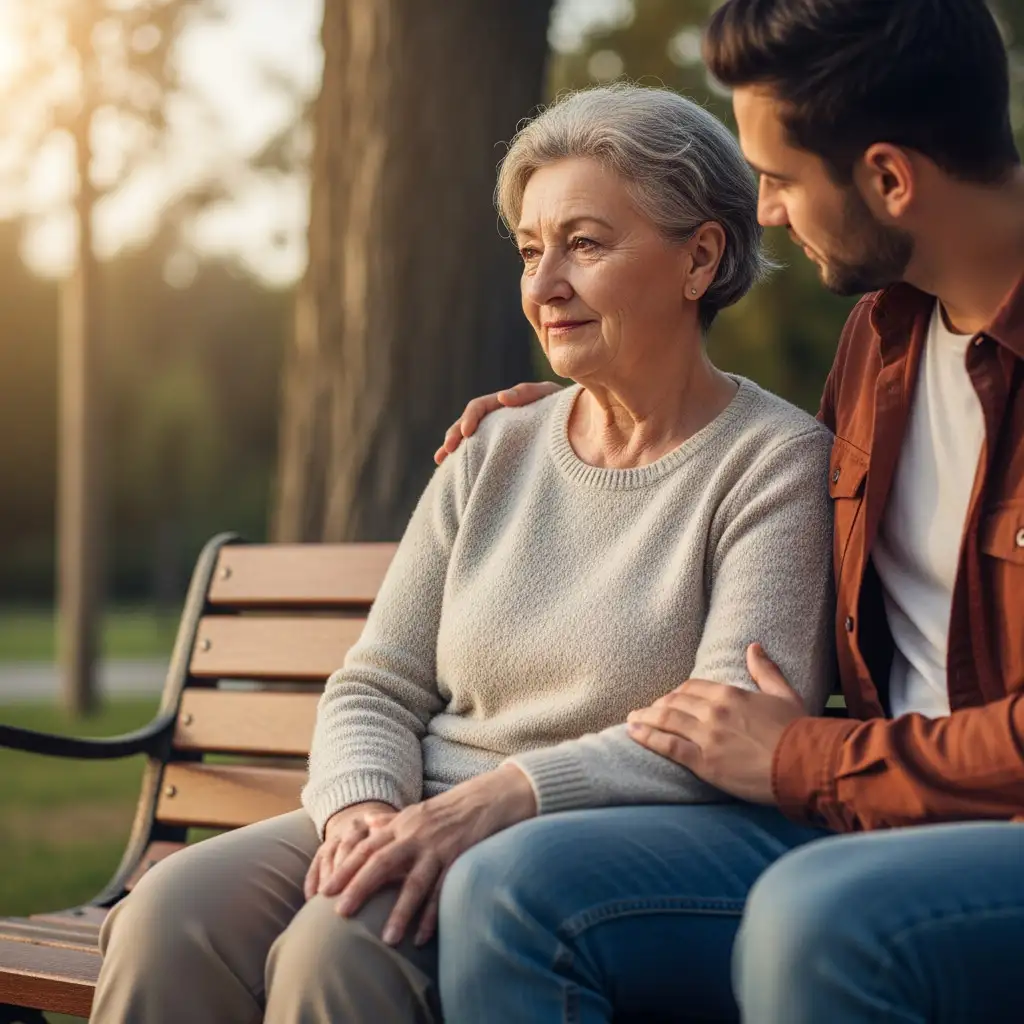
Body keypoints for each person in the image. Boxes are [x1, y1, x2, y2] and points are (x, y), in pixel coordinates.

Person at [91, 85, 836, 1023]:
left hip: (586, 842)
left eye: (586, 244)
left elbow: (728, 731)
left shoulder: (775, 464)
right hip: (415, 806)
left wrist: (497, 800)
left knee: (345, 938)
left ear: (700, 258)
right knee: (168, 915)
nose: (545, 284)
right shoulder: (494, 449)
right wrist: (362, 808)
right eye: (531, 251)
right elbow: (375, 684)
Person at [436, 1, 1024, 1021]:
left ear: (888, 177)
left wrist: (804, 756)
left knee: (818, 915)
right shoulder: (881, 342)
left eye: (782, 177)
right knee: (510, 888)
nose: (767, 211)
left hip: (934, 820)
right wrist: (592, 395)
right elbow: (742, 459)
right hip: (861, 813)